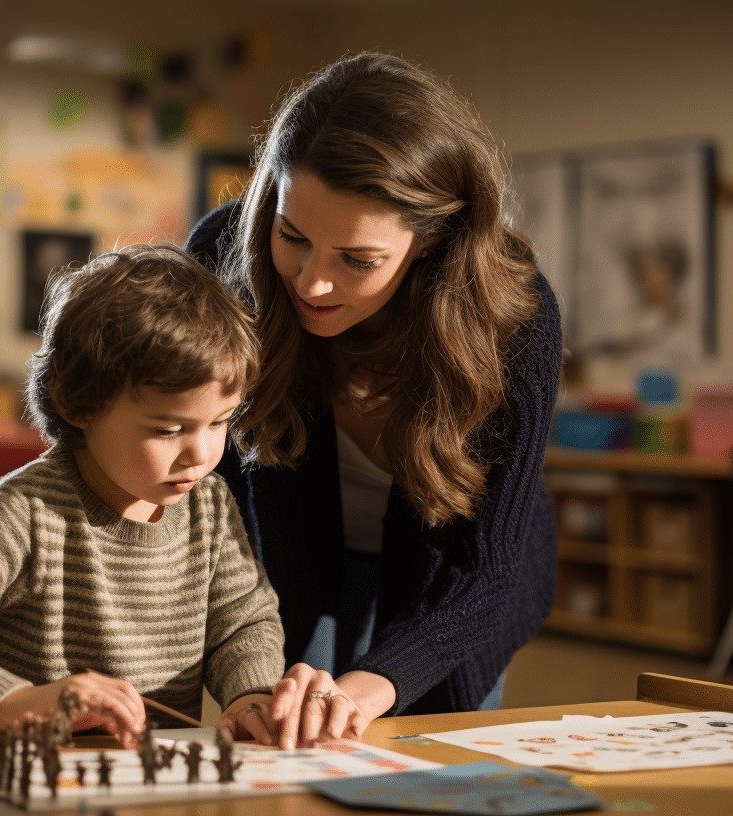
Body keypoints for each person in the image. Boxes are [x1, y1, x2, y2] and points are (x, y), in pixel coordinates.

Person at [186, 52, 562, 749]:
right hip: (285, 557)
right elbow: (214, 498)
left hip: (453, 586)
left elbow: (488, 570)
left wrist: (368, 687)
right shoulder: (223, 254)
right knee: (291, 749)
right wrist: (260, 668)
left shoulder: (515, 316)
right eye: (292, 236)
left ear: (430, 242)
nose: (312, 284)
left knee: (428, 763)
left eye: (356, 260)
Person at [0, 245, 285, 747]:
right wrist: (13, 702)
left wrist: (250, 696)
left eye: (219, 422)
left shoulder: (208, 506)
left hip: (134, 787)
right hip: (5, 788)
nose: (202, 453)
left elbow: (245, 624)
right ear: (78, 404)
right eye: (169, 429)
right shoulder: (31, 513)